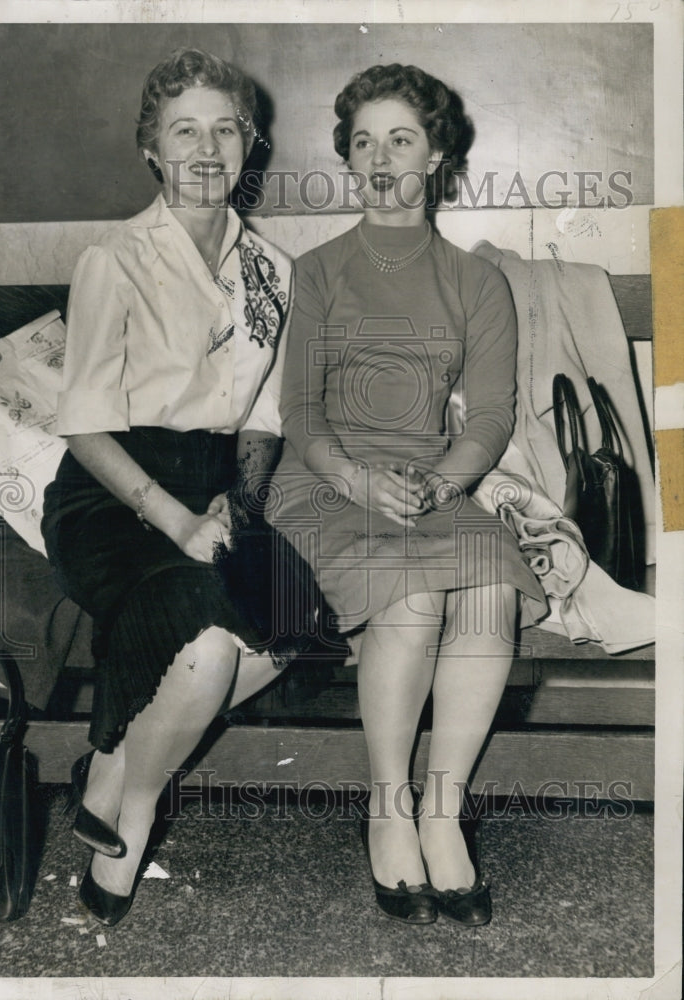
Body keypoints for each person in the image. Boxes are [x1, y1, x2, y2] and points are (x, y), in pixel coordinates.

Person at [267, 63, 547, 926]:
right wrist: (355, 477)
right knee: (415, 597)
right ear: (348, 161)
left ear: (434, 156)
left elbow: (490, 416)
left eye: (401, 139)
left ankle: (441, 812)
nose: (382, 159)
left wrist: (440, 484)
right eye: (364, 143)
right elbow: (298, 411)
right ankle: (388, 808)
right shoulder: (316, 271)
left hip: (431, 481)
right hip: (324, 480)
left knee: (490, 590)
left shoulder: (475, 282)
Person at [41, 49, 315, 927]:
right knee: (205, 651)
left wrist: (240, 498)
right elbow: (84, 425)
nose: (205, 150)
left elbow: (262, 417)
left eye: (223, 129)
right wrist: (175, 520)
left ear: (249, 143)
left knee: (288, 624)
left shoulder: (273, 269)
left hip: (216, 486)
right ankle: (131, 813)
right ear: (151, 150)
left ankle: (113, 761)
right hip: (116, 494)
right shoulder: (114, 257)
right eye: (183, 131)